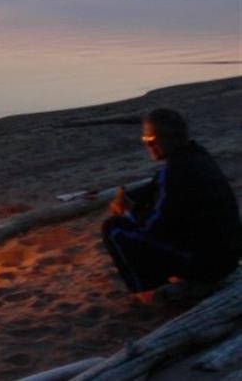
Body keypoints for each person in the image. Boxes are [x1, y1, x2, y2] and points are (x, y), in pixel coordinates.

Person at [102, 108, 242, 303]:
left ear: (166, 139)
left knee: (114, 229)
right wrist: (129, 196)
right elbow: (155, 185)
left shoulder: (176, 172)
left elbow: (154, 228)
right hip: (228, 257)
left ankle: (147, 291)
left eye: (150, 140)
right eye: (145, 140)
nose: (148, 145)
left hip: (209, 265)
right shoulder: (197, 154)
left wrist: (129, 210)